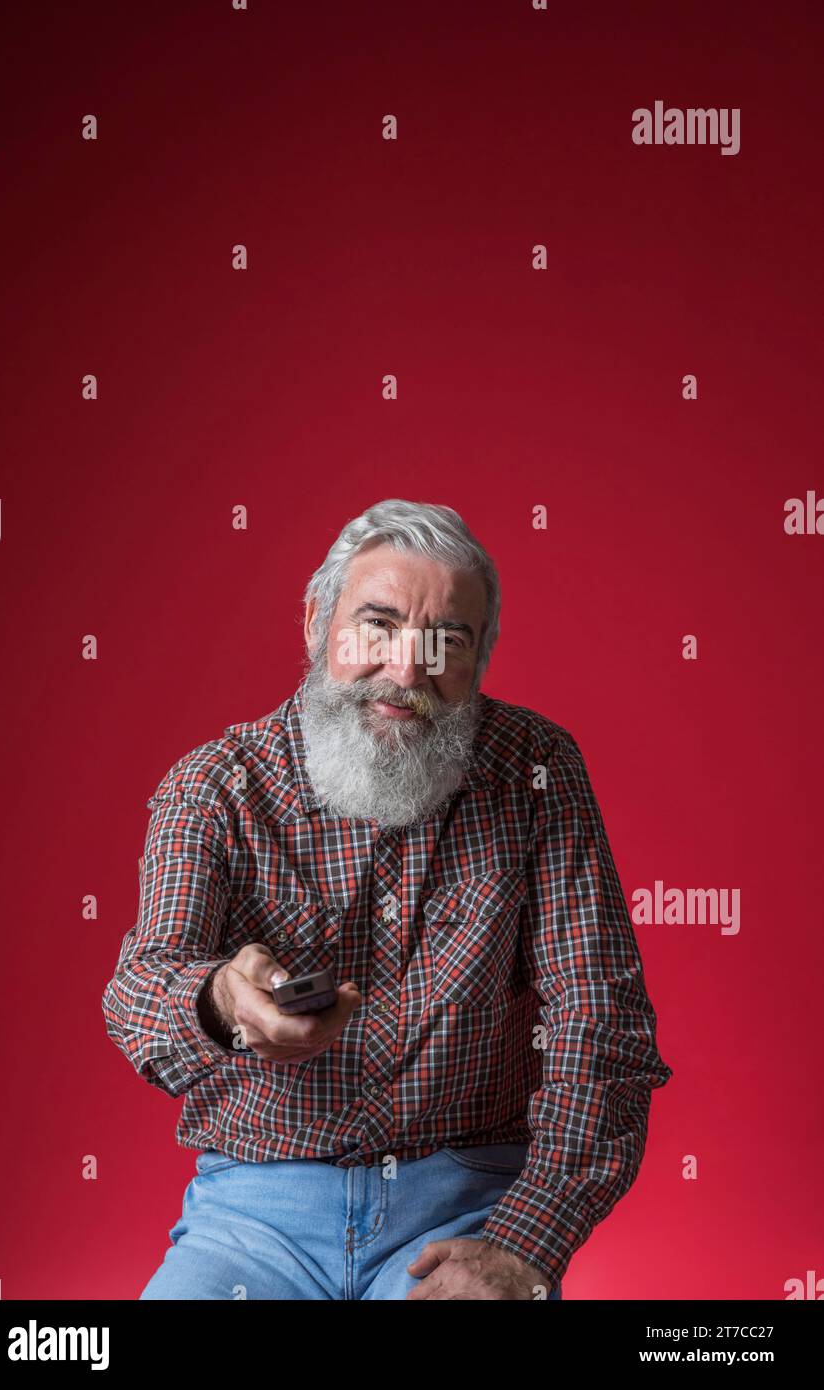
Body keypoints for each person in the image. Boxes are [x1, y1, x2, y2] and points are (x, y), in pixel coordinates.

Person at [101, 498, 673, 1300]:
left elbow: (600, 1027)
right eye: (377, 625)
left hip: (467, 1206)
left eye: (448, 641)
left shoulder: (537, 770)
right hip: (256, 1210)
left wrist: (527, 1242)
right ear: (314, 623)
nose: (407, 673)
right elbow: (138, 991)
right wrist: (218, 1000)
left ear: (482, 656)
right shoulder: (212, 786)